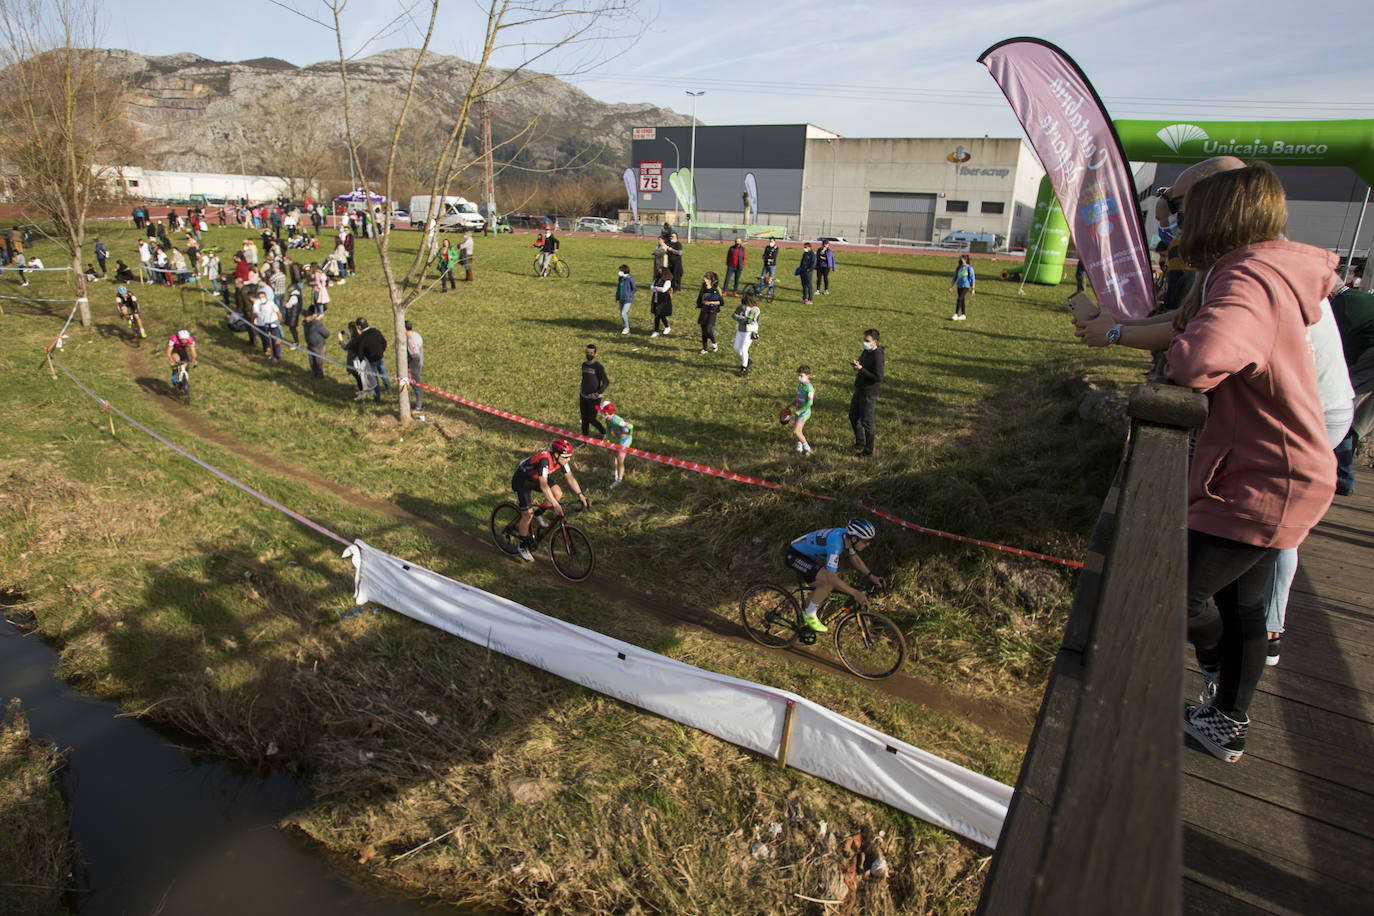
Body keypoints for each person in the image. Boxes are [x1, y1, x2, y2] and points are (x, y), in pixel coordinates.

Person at [1165, 163, 1338, 764]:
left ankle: (1214, 675)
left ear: (1217, 215)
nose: (1179, 221)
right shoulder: (1270, 273)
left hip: (1265, 481)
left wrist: (1177, 347)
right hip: (1272, 472)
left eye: (1187, 211)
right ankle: (1227, 720)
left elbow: (1198, 361)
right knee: (1243, 607)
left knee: (1173, 592)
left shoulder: (1244, 277)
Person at [784, 519, 885, 632]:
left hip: (806, 557)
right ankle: (810, 615)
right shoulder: (836, 544)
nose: (868, 544)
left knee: (823, 587)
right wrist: (856, 593)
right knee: (828, 582)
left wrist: (872, 576)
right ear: (854, 538)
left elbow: (855, 558)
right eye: (866, 541)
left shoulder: (846, 537)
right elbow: (832, 577)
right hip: (795, 555)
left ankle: (803, 620)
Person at [511, 439, 590, 562]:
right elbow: (543, 486)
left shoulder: (561, 460)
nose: (568, 459)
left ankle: (538, 515)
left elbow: (570, 478)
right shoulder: (545, 460)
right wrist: (555, 504)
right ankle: (522, 546)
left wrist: (580, 494)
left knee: (557, 492)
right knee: (527, 515)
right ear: (557, 454)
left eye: (569, 456)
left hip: (536, 478)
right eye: (566, 457)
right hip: (522, 481)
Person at [1330, 282, 1374, 496]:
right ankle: (1342, 476)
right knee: (1351, 413)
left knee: (1343, 406)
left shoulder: (1340, 306)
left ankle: (1342, 476)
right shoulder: (1359, 300)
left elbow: (1336, 350)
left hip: (1368, 359)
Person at [849, 328, 884, 456]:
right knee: (853, 416)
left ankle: (868, 451)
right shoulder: (866, 351)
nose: (864, 342)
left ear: (875, 341)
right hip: (860, 389)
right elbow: (862, 362)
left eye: (867, 340)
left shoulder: (877, 356)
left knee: (867, 422)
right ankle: (859, 442)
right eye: (864, 340)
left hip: (869, 392)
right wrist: (857, 364)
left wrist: (861, 369)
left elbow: (878, 377)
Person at [597, 400, 634, 488]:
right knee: (610, 453)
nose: (600, 412)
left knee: (620, 458)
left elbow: (631, 426)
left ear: (606, 412)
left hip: (625, 439)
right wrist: (608, 442)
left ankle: (619, 480)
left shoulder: (616, 420)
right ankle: (614, 474)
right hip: (618, 439)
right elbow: (608, 431)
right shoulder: (608, 420)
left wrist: (630, 434)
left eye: (601, 411)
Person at [355, 317, 390, 402]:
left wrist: (361, 360)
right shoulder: (376, 331)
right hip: (380, 357)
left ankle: (377, 398)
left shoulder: (362, 337)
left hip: (371, 361)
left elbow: (360, 351)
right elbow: (384, 342)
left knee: (375, 379)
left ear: (359, 327)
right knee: (383, 373)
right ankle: (388, 388)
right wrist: (382, 351)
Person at [579, 343, 609, 436]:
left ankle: (604, 433)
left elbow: (606, 382)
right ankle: (584, 440)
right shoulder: (584, 365)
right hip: (583, 397)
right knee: (584, 420)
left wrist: (597, 393)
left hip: (594, 399)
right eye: (587, 352)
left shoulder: (598, 367)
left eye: (591, 353)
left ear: (595, 354)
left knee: (591, 419)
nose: (589, 355)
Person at [731, 291, 761, 375]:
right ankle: (747, 360)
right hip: (740, 330)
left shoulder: (755, 309)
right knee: (736, 348)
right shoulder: (741, 307)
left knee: (744, 349)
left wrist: (741, 317)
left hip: (749, 331)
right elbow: (733, 315)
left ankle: (744, 368)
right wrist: (741, 318)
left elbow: (749, 320)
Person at [302, 296, 330, 380]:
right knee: (311, 361)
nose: (305, 318)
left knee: (319, 361)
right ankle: (314, 373)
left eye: (307, 316)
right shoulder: (304, 323)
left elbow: (326, 334)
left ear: (311, 316)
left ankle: (320, 375)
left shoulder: (317, 324)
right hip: (310, 345)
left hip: (318, 346)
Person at [252, 288, 283, 363]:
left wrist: (278, 322)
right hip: (266, 325)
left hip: (274, 325)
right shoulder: (260, 306)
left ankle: (278, 357)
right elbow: (258, 314)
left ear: (266, 297)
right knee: (269, 341)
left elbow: (279, 314)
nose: (262, 299)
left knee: (276, 342)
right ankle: (272, 355)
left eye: (263, 297)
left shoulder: (272, 305)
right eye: (260, 297)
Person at [696, 271, 723, 355]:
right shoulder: (703, 289)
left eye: (706, 278)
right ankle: (704, 348)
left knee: (708, 329)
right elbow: (699, 299)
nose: (704, 279)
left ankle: (714, 343)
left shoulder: (715, 290)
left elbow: (721, 302)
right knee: (703, 330)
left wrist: (711, 303)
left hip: (712, 311)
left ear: (710, 280)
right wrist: (701, 303)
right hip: (704, 311)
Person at [792, 365, 814, 454]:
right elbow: (797, 398)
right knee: (798, 431)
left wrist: (800, 411)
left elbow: (810, 403)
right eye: (798, 375)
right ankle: (799, 448)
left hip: (804, 413)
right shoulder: (801, 385)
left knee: (795, 431)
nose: (799, 378)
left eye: (801, 376)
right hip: (798, 410)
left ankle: (808, 449)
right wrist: (789, 405)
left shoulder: (810, 388)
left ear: (808, 376)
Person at [404, 319, 424, 415]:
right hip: (418, 363)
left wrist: (409, 368)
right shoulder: (416, 335)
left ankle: (419, 406)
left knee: (416, 384)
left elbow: (415, 356)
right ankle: (419, 403)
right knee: (415, 384)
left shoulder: (410, 340)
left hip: (414, 365)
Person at [649, 267, 674, 337]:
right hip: (656, 299)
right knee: (658, 315)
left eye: (661, 272)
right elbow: (651, 287)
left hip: (663, 300)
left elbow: (664, 289)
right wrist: (656, 288)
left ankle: (657, 330)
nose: (659, 273)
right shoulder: (656, 279)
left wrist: (656, 288)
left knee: (659, 315)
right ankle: (666, 327)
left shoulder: (667, 281)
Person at [949, 254, 975, 320]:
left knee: (959, 298)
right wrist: (951, 286)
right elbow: (955, 277)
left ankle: (956, 314)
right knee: (962, 300)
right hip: (959, 286)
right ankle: (963, 315)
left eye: (962, 259)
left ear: (965, 260)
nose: (961, 260)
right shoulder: (959, 268)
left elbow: (972, 278)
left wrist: (973, 289)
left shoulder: (969, 268)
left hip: (966, 286)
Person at [614, 264, 637, 335]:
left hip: (627, 299)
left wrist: (629, 295)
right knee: (622, 314)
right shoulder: (620, 278)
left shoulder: (629, 278)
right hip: (621, 298)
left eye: (621, 270)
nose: (619, 272)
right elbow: (619, 288)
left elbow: (634, 288)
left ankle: (626, 328)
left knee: (623, 313)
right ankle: (625, 326)